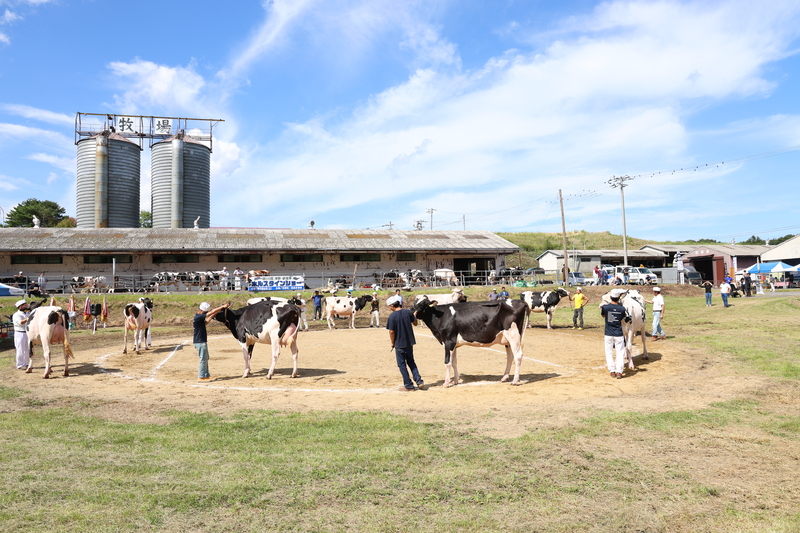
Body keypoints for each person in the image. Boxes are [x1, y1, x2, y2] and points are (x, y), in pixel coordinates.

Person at [386, 299, 424, 391]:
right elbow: (415, 323)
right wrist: (413, 316)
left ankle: (408, 385)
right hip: (409, 342)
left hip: (399, 343)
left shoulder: (392, 316)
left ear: (392, 306)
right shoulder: (408, 312)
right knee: (411, 362)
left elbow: (391, 331)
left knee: (402, 365)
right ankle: (419, 381)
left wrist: (392, 342)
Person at [193, 302, 230, 382]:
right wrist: (222, 306)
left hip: (201, 341)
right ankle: (201, 376)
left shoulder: (198, 317)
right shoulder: (198, 317)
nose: (207, 313)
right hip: (200, 341)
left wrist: (210, 318)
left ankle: (206, 375)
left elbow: (205, 323)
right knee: (203, 359)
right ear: (202, 311)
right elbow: (212, 312)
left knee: (205, 358)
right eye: (206, 312)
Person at [600, 289, 627, 379]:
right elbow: (623, 318)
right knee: (620, 352)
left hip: (608, 333)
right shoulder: (622, 309)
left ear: (611, 297)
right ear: (619, 298)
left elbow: (603, 316)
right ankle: (619, 371)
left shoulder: (605, 307)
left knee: (609, 352)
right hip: (619, 333)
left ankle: (612, 370)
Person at [12, 299, 31, 370]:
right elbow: (20, 323)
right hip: (20, 333)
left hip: (27, 333)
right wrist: (28, 319)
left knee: (26, 349)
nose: (27, 306)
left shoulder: (27, 313)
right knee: (20, 349)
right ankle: (19, 364)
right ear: (20, 306)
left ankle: (26, 363)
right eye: (25, 305)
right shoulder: (16, 315)